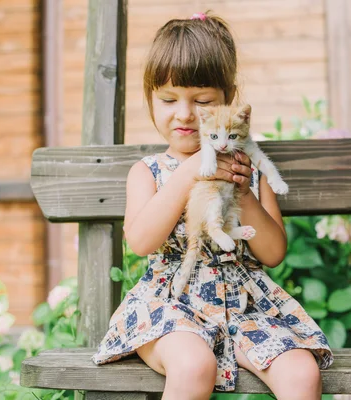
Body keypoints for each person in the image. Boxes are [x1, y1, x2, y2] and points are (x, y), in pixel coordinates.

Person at [92, 11, 333, 400]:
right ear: (150, 99)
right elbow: (140, 241)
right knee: (194, 366)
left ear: (228, 102)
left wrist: (246, 193)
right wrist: (189, 172)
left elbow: (273, 253)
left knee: (301, 373)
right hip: (171, 307)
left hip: (245, 307)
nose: (185, 114)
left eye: (201, 100)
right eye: (169, 99)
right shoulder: (148, 172)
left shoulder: (248, 171)